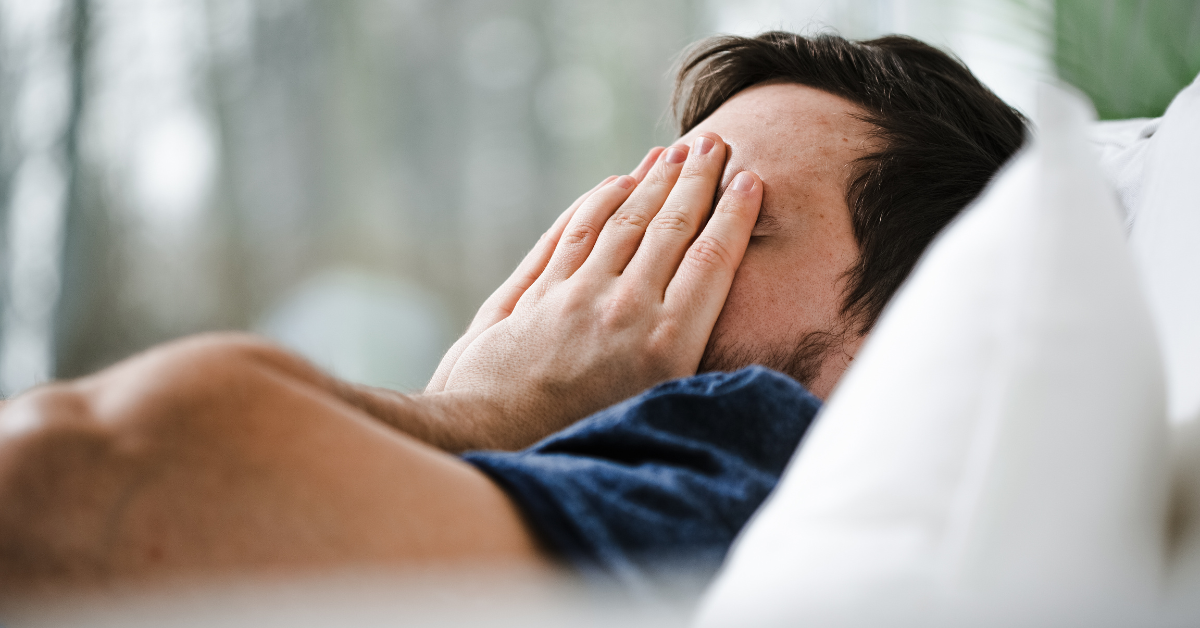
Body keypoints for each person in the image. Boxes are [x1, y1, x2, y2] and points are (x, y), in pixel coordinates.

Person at [0, 32, 1024, 593]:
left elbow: (72, 475)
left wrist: (476, 413)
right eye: (637, 204)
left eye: (708, 216)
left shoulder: (748, 449)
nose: (615, 257)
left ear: (910, 318)